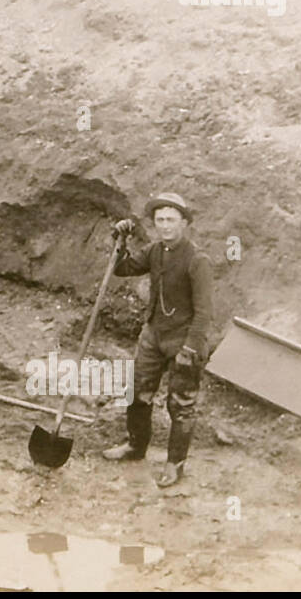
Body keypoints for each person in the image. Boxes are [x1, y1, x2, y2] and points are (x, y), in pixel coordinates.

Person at [102, 192, 214, 487]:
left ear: (184, 223)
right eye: (160, 220)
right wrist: (120, 240)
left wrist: (189, 349)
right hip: (153, 335)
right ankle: (135, 446)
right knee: (137, 392)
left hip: (184, 339)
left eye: (171, 220)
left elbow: (204, 313)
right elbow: (122, 268)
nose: (165, 226)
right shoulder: (155, 250)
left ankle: (174, 465)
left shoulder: (197, 260)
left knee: (181, 405)